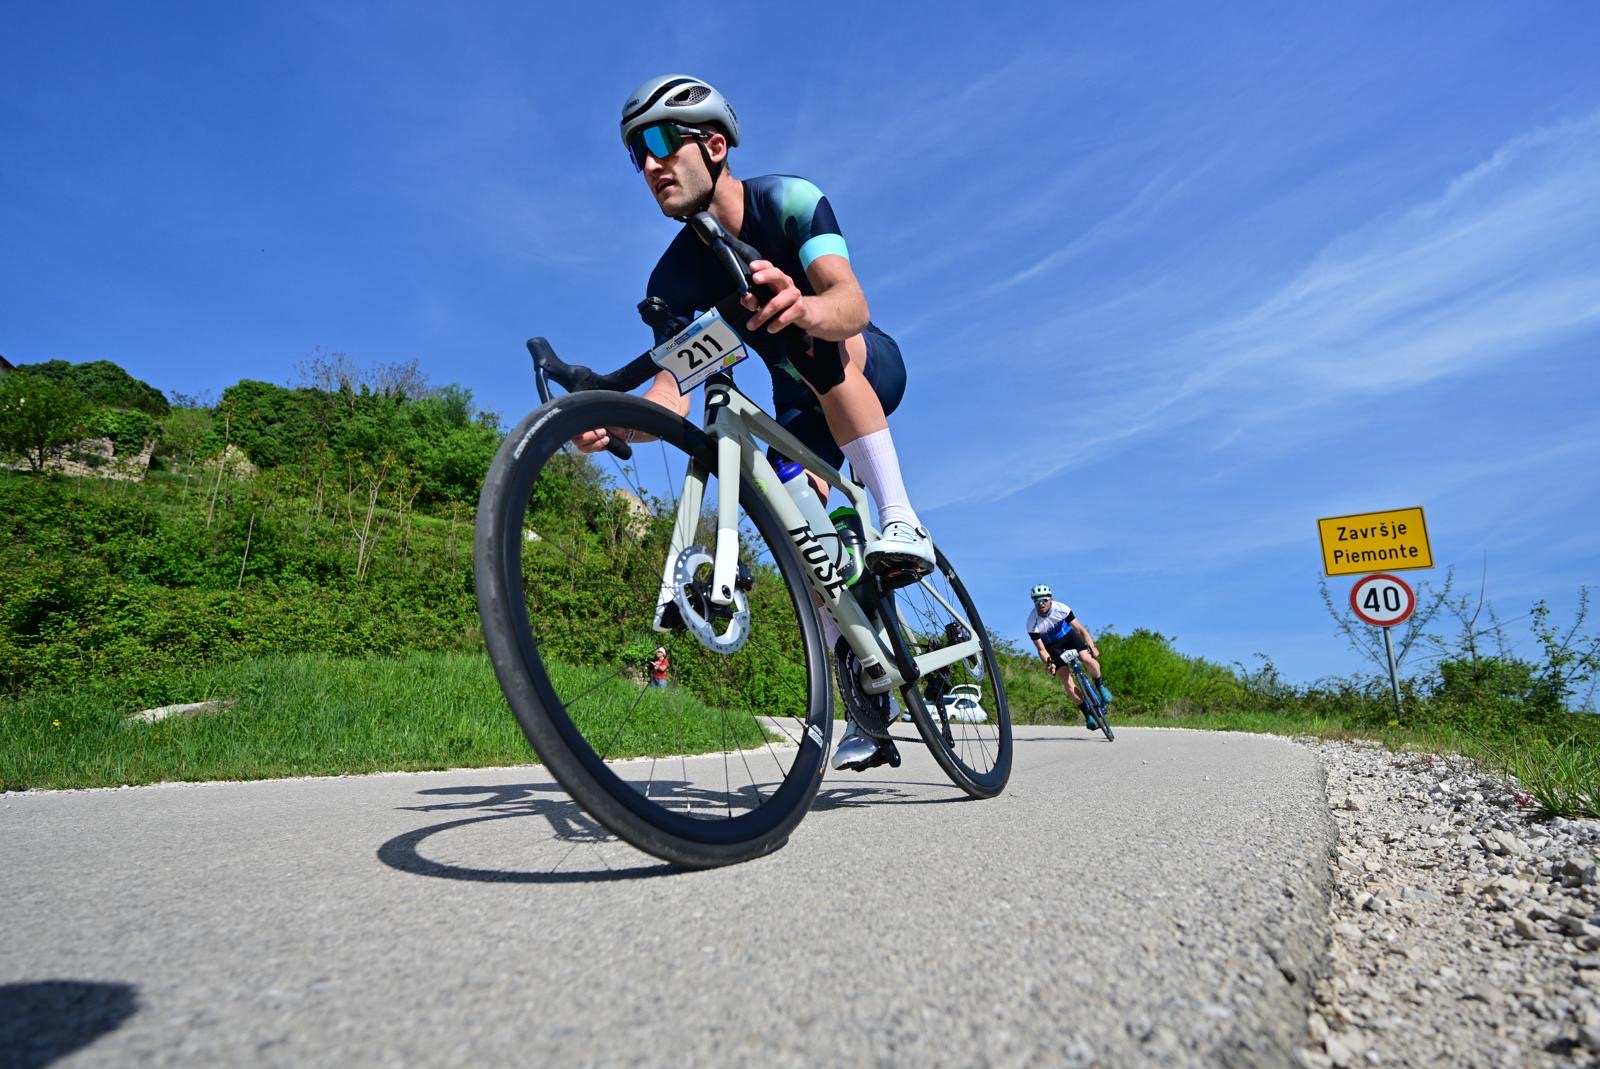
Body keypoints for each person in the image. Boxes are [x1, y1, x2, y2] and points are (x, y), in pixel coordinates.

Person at [581, 74, 933, 773]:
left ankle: (901, 516)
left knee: (813, 345)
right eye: (634, 155)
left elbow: (850, 301)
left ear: (715, 146)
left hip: (859, 361)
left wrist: (803, 309)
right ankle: (864, 692)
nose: (648, 164)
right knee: (809, 542)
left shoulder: (789, 201)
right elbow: (669, 392)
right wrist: (612, 422)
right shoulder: (673, 280)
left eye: (659, 142)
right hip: (800, 410)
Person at [1024, 584, 1113, 731]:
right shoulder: (1031, 623)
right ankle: (1087, 714)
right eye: (1037, 602)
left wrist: (1092, 645)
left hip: (1069, 637)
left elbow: (1080, 629)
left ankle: (1100, 684)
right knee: (1065, 678)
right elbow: (1041, 650)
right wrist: (1049, 663)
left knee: (1086, 658)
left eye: (1044, 600)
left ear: (1050, 599)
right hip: (1052, 647)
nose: (1041, 604)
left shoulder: (1061, 608)